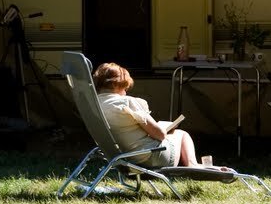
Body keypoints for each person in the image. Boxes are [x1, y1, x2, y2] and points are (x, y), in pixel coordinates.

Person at [92, 61, 229, 170]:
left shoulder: (95, 104)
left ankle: (194, 165)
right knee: (181, 134)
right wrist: (165, 128)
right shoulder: (126, 102)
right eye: (125, 88)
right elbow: (159, 135)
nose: (126, 91)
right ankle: (193, 165)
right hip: (149, 159)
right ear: (118, 84)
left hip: (124, 158)